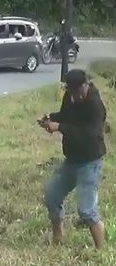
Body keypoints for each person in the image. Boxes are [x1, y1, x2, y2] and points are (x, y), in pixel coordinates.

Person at [40, 68, 107, 249]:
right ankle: (58, 238)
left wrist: (60, 126)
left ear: (85, 85)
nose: (75, 97)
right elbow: (66, 117)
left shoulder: (95, 105)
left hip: (90, 162)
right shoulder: (69, 97)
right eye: (71, 92)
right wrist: (51, 119)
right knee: (52, 196)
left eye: (78, 92)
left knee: (86, 211)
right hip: (71, 159)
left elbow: (90, 133)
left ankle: (100, 251)